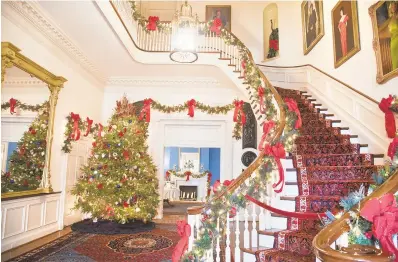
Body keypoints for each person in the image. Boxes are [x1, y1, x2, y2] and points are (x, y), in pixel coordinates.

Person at [389, 2, 398, 70]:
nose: (393, 8)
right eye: (391, 7)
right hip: (393, 42)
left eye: (394, 6)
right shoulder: (391, 18)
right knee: (395, 64)